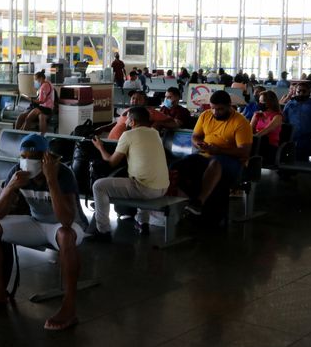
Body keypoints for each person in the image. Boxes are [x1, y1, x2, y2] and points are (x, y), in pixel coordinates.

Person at [0, 133, 83, 331]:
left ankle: (69, 307)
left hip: (65, 227)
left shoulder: (63, 173)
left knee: (66, 235)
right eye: (23, 156)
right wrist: (11, 188)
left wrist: (51, 180)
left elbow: (66, 220)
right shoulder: (17, 171)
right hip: (36, 222)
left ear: (45, 158)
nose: (27, 162)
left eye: (33, 158)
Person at [89, 107, 169, 239]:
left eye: (127, 119)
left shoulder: (128, 135)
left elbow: (111, 162)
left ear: (132, 121)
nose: (125, 122)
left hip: (145, 189)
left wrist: (100, 147)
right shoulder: (155, 133)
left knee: (99, 186)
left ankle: (103, 230)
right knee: (141, 177)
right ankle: (143, 223)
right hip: (163, 188)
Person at [176, 90, 253, 217]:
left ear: (229, 106)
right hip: (206, 155)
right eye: (213, 108)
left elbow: (244, 151)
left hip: (231, 160)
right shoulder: (206, 115)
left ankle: (199, 202)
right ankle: (184, 201)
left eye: (220, 109)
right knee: (179, 166)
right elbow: (195, 136)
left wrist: (219, 150)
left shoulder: (241, 122)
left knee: (215, 164)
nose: (215, 112)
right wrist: (199, 144)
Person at [96, 91, 177, 140]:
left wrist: (159, 124)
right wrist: (103, 128)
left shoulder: (150, 112)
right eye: (133, 98)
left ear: (145, 102)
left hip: (126, 146)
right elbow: (118, 123)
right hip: (112, 142)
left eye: (138, 99)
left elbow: (172, 122)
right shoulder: (128, 110)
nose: (134, 100)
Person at [15, 70, 54, 134]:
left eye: (36, 80)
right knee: (27, 118)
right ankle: (20, 132)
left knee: (28, 118)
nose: (35, 82)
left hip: (45, 107)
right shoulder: (47, 83)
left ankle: (21, 133)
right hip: (45, 107)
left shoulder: (44, 87)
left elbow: (41, 101)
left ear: (41, 78)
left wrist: (30, 99)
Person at [251, 90, 283, 165]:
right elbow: (250, 129)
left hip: (270, 146)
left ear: (269, 103)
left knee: (262, 140)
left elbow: (267, 130)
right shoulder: (258, 114)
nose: (259, 104)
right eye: (259, 101)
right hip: (258, 143)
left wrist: (254, 138)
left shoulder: (277, 116)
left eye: (261, 102)